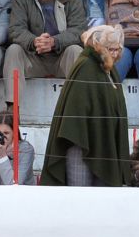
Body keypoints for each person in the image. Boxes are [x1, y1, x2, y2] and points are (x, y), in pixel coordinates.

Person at [41, 24, 127, 186]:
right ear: (98, 46)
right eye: (110, 49)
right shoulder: (85, 66)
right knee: (80, 198)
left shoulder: (109, 69)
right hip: (81, 145)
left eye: (117, 49)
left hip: (104, 146)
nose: (115, 54)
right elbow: (75, 113)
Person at [4, 0, 86, 87]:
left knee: (76, 50)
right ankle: (13, 105)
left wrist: (54, 42)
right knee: (13, 50)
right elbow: (15, 29)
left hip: (61, 57)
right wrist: (34, 41)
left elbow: (79, 30)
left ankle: (81, 105)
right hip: (33, 57)